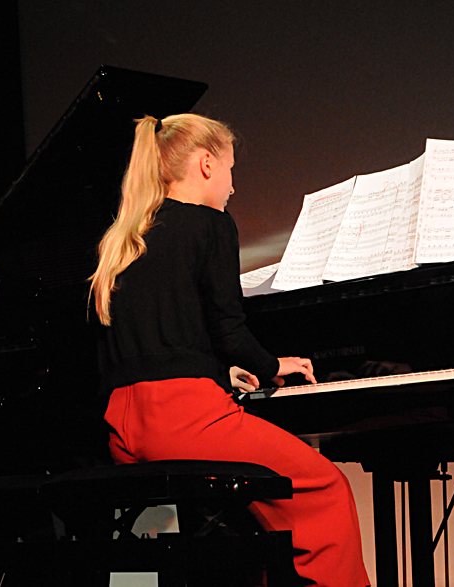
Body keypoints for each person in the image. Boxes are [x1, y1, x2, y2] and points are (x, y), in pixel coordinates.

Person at [90, 114, 370, 586]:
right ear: (205, 164)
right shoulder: (211, 225)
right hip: (185, 423)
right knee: (326, 488)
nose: (234, 187)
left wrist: (219, 376)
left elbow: (160, 347)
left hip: (123, 429)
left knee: (258, 504)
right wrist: (271, 365)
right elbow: (229, 330)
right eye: (231, 170)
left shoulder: (125, 240)